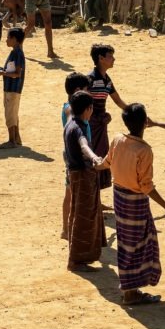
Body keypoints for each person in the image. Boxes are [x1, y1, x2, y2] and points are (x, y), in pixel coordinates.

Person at [107, 103, 165, 305]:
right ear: (145, 122)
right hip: (135, 201)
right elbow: (146, 186)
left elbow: (106, 162)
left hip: (119, 198)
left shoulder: (117, 139)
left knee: (126, 242)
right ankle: (131, 292)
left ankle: (130, 288)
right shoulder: (144, 150)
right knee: (139, 244)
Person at [64, 90, 110, 272]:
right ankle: (76, 261)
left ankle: (80, 258)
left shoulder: (71, 121)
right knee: (83, 218)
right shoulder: (79, 128)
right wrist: (95, 158)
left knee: (78, 214)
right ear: (88, 109)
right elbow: (84, 145)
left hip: (76, 175)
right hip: (83, 175)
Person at [87, 44, 130, 193]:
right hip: (92, 124)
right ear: (101, 58)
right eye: (110, 56)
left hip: (100, 124)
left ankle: (95, 196)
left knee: (100, 156)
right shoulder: (90, 79)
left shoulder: (107, 80)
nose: (113, 59)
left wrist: (133, 112)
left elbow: (118, 101)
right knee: (94, 157)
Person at [61, 72, 92, 240]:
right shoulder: (71, 110)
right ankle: (69, 229)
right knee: (73, 194)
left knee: (70, 192)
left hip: (72, 153)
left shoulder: (70, 107)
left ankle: (66, 229)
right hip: (76, 155)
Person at [0, 27, 25, 149]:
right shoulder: (15, 52)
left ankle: (12, 140)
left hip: (13, 88)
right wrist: (2, 70)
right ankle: (16, 138)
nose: (6, 40)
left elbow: (17, 73)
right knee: (13, 113)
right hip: (11, 88)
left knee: (10, 114)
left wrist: (2, 73)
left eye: (8, 38)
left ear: (15, 39)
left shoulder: (17, 53)